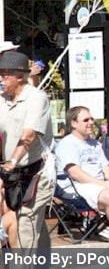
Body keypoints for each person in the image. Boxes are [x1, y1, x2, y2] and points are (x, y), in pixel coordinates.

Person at [55, 106, 109, 248]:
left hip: (99, 184)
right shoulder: (67, 143)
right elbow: (75, 173)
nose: (91, 122)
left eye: (91, 119)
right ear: (73, 123)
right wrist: (104, 185)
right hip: (77, 186)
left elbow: (106, 168)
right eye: (86, 120)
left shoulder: (95, 144)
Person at [0, 50, 54, 249]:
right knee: (32, 225)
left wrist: (11, 162)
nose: (1, 78)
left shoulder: (37, 98)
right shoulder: (2, 99)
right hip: (14, 174)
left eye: (5, 74)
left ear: (20, 76)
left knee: (25, 223)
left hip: (36, 171)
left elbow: (29, 136)